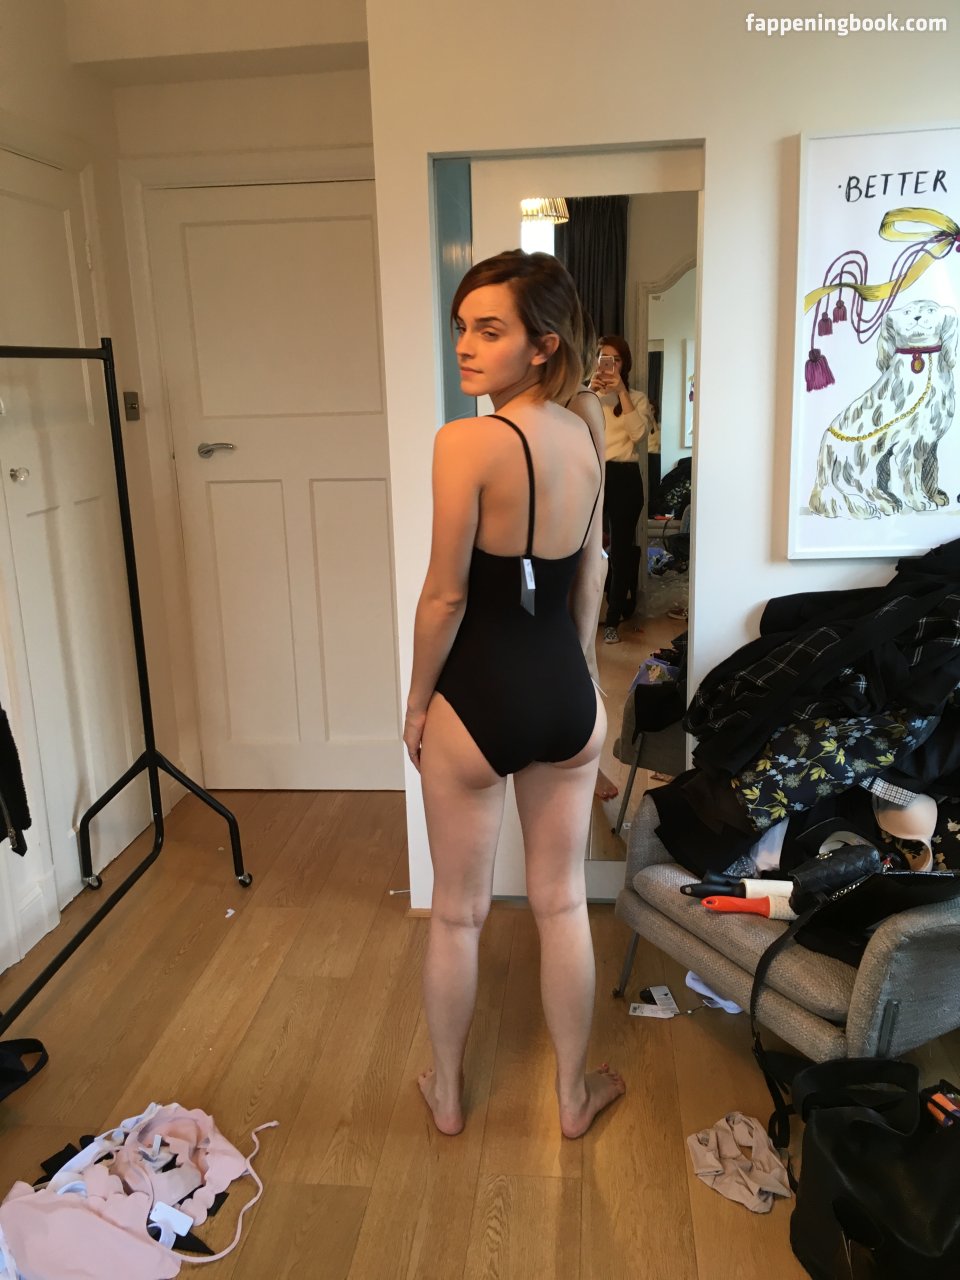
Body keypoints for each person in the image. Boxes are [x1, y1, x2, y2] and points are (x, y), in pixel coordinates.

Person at [404, 250, 626, 1139]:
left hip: (475, 701)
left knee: (458, 914)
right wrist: (584, 681)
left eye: (488, 330)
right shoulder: (588, 428)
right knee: (562, 902)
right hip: (566, 697)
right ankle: (572, 1098)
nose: (464, 345)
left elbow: (446, 597)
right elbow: (593, 570)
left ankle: (449, 1095)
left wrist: (417, 703)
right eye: (461, 326)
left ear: (542, 345)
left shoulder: (465, 443)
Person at [588, 336, 656, 644]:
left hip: (625, 477)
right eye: (604, 358)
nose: (609, 365)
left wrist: (622, 393)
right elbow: (572, 429)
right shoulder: (587, 395)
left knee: (620, 552)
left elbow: (639, 435)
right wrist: (590, 393)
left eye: (615, 359)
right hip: (592, 474)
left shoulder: (636, 398)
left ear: (623, 364)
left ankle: (613, 619)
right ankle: (588, 615)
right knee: (587, 548)